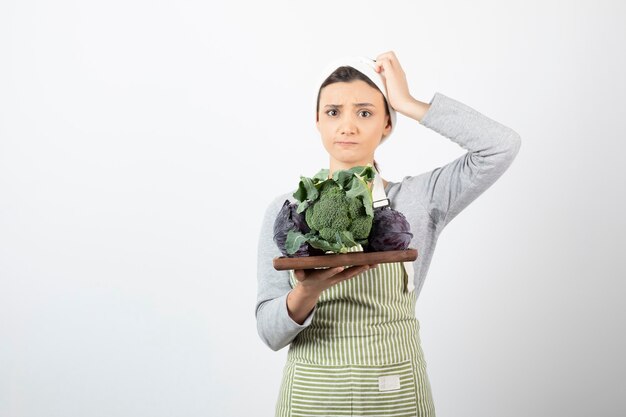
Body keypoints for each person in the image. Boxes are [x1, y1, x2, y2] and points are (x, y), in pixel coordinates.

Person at [256, 51, 521, 417]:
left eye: (365, 112)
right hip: (312, 396)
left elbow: (501, 146)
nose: (347, 126)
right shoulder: (288, 211)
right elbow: (270, 334)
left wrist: (409, 103)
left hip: (395, 390)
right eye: (333, 112)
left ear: (387, 124)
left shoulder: (418, 199)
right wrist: (305, 292)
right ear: (317, 121)